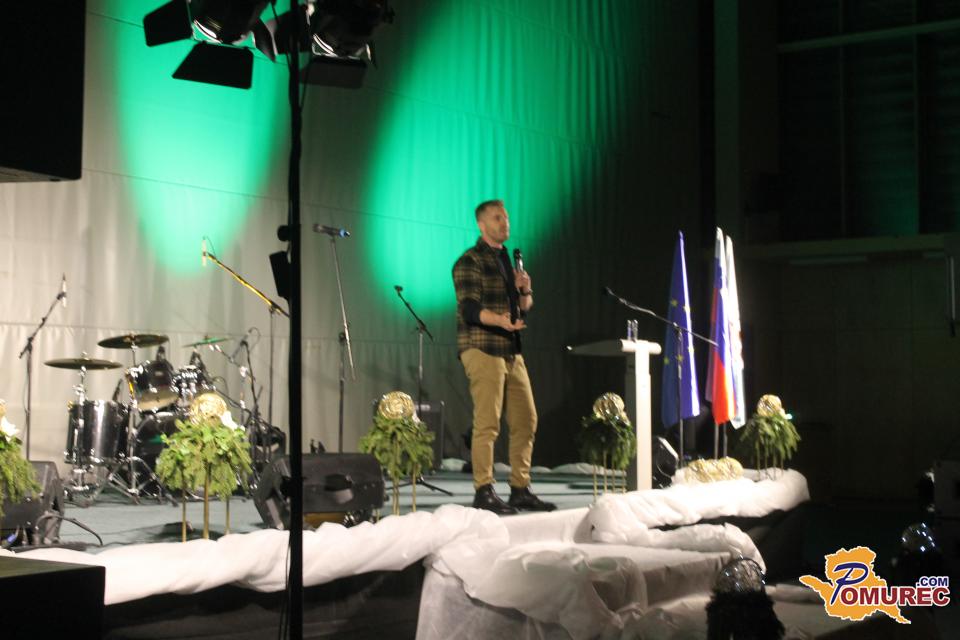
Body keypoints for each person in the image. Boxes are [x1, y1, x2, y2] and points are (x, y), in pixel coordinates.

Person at [452, 199, 555, 514]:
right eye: (497, 218)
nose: (505, 222)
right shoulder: (469, 261)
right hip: (482, 347)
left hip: (511, 349)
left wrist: (525, 290)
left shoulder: (507, 262)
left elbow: (523, 310)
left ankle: (520, 488)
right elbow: (469, 309)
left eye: (506, 217)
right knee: (488, 422)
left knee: (526, 419)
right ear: (482, 225)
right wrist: (501, 320)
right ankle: (483, 490)